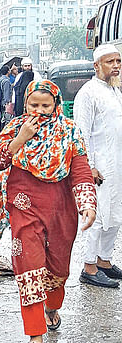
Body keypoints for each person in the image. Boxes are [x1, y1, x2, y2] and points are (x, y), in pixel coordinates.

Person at [0, 80, 97, 343]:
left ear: (56, 105)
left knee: (58, 266)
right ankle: (35, 335)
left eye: (45, 106)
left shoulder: (70, 131)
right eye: (33, 105)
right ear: (25, 104)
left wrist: (87, 203)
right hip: (23, 205)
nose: (39, 111)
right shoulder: (14, 128)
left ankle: (52, 306)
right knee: (29, 267)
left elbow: (81, 170)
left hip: (61, 207)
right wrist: (21, 139)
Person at [74, 44, 122, 288]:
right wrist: (88, 167)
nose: (115, 66)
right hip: (98, 167)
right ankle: (89, 267)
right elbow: (80, 133)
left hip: (117, 166)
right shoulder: (88, 93)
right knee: (98, 215)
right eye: (110, 62)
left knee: (115, 214)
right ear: (96, 65)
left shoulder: (115, 91)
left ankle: (104, 261)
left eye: (118, 61)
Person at [0, 65, 13, 130]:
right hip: (4, 103)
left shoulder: (1, 79)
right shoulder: (6, 81)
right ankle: (3, 131)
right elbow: (6, 93)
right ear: (8, 71)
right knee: (4, 119)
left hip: (1, 102)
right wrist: (7, 103)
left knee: (2, 117)